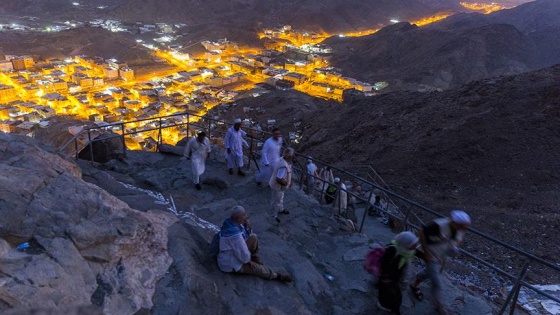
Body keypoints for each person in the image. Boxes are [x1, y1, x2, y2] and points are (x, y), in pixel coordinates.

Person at [409, 210, 472, 315]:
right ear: (455, 223)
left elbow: (456, 240)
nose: (465, 229)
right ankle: (438, 306)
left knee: (432, 272)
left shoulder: (460, 229)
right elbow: (421, 232)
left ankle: (414, 284)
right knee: (437, 283)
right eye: (463, 226)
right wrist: (426, 253)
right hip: (430, 253)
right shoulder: (439, 225)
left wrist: (454, 248)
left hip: (440, 255)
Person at [217, 206, 292, 282]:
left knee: (253, 237)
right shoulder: (235, 236)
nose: (245, 217)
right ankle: (276, 275)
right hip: (230, 263)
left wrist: (249, 227)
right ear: (238, 218)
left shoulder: (230, 222)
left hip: (233, 251)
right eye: (244, 215)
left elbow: (247, 235)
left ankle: (253, 256)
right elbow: (242, 251)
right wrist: (248, 261)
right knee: (256, 268)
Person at [378, 231, 420, 315]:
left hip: (395, 280)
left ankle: (391, 307)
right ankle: (387, 307)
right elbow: (384, 265)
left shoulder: (404, 251)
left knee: (394, 296)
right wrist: (386, 278)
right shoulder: (392, 251)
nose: (415, 246)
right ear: (406, 243)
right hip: (389, 280)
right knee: (390, 296)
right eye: (413, 244)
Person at [268, 147, 294, 223]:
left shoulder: (282, 159)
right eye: (292, 156)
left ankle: (280, 209)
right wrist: (286, 184)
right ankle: (273, 215)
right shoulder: (283, 166)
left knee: (280, 198)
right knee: (276, 201)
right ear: (289, 157)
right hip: (278, 187)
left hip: (280, 187)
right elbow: (279, 179)